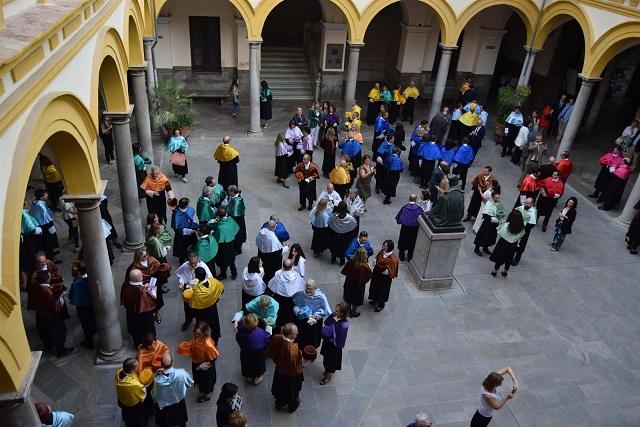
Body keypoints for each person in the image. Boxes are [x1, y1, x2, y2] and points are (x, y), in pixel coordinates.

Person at [31, 270, 73, 357]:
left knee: (46, 331)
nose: (51, 278)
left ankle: (48, 346)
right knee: (57, 332)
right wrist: (61, 296)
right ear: (46, 279)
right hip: (52, 315)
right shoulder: (47, 291)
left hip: (41, 314)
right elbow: (56, 305)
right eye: (50, 277)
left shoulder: (36, 288)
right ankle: (61, 350)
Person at [265, 323, 304, 413]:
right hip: (291, 376)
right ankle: (292, 406)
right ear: (290, 335)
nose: (297, 333)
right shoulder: (293, 350)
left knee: (279, 389)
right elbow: (297, 367)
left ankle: (279, 403)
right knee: (292, 392)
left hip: (279, 371)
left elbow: (271, 352)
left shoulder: (276, 337)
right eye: (295, 333)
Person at [183, 267, 224, 343]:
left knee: (203, 328)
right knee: (214, 326)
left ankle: (204, 343)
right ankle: (215, 340)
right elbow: (221, 289)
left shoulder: (198, 291)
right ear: (205, 274)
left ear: (196, 276)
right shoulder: (214, 282)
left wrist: (189, 290)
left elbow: (192, 304)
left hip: (202, 313)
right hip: (213, 309)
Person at [181, 321, 220, 403]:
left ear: (204, 333)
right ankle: (203, 389)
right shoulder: (196, 336)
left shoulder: (208, 344)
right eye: (196, 333)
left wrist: (203, 365)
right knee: (199, 379)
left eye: (199, 334)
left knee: (206, 381)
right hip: (196, 361)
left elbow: (213, 357)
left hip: (205, 367)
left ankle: (207, 395)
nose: (196, 335)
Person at [153, 353, 193, 427]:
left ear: (161, 364)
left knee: (167, 422)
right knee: (180, 420)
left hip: (165, 406)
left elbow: (155, 396)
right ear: (173, 362)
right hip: (179, 401)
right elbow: (188, 383)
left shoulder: (157, 380)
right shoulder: (182, 373)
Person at [121, 269, 157, 347]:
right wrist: (153, 290)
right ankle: (149, 345)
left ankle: (137, 344)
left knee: (135, 330)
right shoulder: (142, 291)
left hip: (131, 312)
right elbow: (150, 300)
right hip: (144, 315)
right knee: (147, 330)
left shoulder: (125, 285)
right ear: (140, 278)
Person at [292, 279, 331, 350]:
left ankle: (311, 348)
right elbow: (295, 305)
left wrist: (316, 316)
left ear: (315, 288)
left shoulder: (321, 297)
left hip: (314, 322)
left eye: (310, 289)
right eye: (307, 288)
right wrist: (299, 312)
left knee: (313, 337)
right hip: (302, 320)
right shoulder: (300, 294)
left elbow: (325, 311)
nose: (308, 290)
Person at [268, 259, 305, 331]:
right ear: (292, 266)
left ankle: (278, 327)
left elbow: (271, 286)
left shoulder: (278, 274)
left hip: (279, 299)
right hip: (291, 301)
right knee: (289, 314)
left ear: (283, 266)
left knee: (279, 314)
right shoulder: (296, 276)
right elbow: (301, 288)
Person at [235, 313, 271, 384]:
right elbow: (268, 337)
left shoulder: (240, 328)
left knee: (247, 363)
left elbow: (238, 325)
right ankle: (258, 377)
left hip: (245, 351)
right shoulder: (259, 333)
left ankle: (249, 376)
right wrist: (267, 325)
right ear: (256, 323)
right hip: (258, 353)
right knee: (258, 364)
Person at [68, 261, 96, 349]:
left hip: (83, 306)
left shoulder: (77, 283)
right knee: (93, 319)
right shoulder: (93, 278)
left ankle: (89, 341)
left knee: (86, 323)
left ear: (79, 271)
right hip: (93, 304)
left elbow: (72, 296)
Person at [319, 303, 349, 385]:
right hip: (327, 342)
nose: (334, 311)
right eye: (335, 310)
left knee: (331, 361)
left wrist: (333, 329)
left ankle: (328, 376)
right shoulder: (333, 315)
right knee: (326, 357)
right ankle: (326, 370)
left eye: (336, 311)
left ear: (342, 313)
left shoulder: (344, 325)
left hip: (334, 346)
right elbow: (327, 322)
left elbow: (341, 338)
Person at [489, 210, 525, 278]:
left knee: (499, 258)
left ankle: (494, 271)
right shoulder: (521, 227)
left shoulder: (506, 225)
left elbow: (499, 231)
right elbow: (521, 236)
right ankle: (505, 272)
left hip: (503, 243)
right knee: (509, 258)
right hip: (513, 245)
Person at [115, 358, 148, 427]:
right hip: (133, 405)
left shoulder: (119, 371)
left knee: (128, 417)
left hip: (123, 400)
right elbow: (142, 394)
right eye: (137, 366)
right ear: (132, 371)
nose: (138, 367)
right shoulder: (132, 384)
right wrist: (145, 386)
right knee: (136, 419)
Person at [29, 189, 60, 262]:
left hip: (41, 225)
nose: (47, 195)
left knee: (47, 242)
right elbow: (46, 217)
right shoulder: (41, 205)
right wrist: (51, 225)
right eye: (46, 195)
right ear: (41, 197)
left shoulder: (35, 202)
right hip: (46, 226)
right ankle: (51, 258)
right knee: (48, 242)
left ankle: (51, 253)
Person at [368, 240, 399, 312]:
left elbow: (391, 271)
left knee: (382, 291)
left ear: (390, 247)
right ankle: (374, 299)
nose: (384, 247)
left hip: (385, 278)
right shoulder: (381, 252)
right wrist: (375, 263)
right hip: (377, 275)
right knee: (374, 287)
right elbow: (377, 258)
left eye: (386, 246)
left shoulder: (393, 259)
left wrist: (380, 268)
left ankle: (381, 304)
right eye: (384, 245)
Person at [341, 247, 372, 317]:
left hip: (349, 283)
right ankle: (354, 312)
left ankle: (348, 311)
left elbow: (345, 271)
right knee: (356, 300)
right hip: (359, 286)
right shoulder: (364, 266)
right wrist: (369, 267)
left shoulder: (351, 261)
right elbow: (369, 275)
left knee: (349, 298)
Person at [473, 191, 505, 256]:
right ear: (492, 197)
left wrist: (501, 217)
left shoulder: (499, 204)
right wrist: (492, 219)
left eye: (498, 198)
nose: (498, 199)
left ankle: (485, 247)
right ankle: (476, 248)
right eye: (496, 198)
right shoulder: (489, 204)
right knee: (482, 235)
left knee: (490, 237)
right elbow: (485, 215)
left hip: (494, 225)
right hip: (487, 224)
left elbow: (501, 213)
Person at [211, 208, 240, 280]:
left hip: (223, 246)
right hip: (231, 243)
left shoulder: (219, 227)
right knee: (231, 260)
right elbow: (236, 228)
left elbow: (216, 237)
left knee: (222, 261)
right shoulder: (230, 219)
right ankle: (234, 273)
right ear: (226, 214)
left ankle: (223, 274)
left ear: (219, 216)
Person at [396, 194, 424, 261]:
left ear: (409, 199)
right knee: (412, 242)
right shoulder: (419, 209)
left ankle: (401, 256)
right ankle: (410, 257)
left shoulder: (405, 208)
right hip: (414, 229)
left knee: (403, 241)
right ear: (416, 199)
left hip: (405, 228)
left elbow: (399, 217)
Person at [328, 201, 358, 266]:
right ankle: (342, 261)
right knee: (343, 249)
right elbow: (353, 227)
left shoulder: (334, 217)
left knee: (334, 248)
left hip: (335, 237)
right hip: (345, 238)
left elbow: (329, 225)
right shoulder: (350, 219)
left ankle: (333, 259)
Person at [171, 197, 198, 265]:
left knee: (191, 248)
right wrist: (188, 231)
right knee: (182, 250)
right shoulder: (176, 214)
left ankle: (190, 258)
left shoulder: (189, 209)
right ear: (185, 205)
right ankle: (182, 262)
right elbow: (176, 228)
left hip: (191, 234)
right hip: (181, 235)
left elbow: (192, 219)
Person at [512, 197, 537, 266]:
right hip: (517, 229)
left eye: (528, 203)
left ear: (532, 204)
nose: (526, 204)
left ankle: (516, 259)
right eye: (526, 202)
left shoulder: (533, 212)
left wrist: (523, 226)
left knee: (521, 245)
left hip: (525, 231)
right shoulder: (521, 208)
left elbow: (532, 224)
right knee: (513, 242)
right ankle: (510, 256)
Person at [225, 185, 246, 254]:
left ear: (233, 191)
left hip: (237, 223)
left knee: (237, 237)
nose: (228, 192)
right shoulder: (235, 197)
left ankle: (238, 250)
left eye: (229, 191)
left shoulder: (237, 201)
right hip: (236, 221)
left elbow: (234, 213)